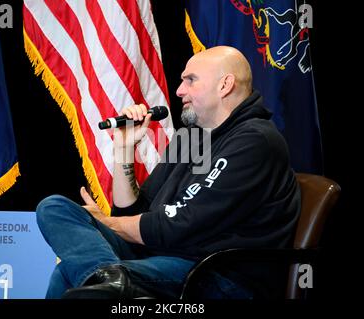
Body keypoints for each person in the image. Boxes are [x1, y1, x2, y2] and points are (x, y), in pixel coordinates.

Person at [36, 46, 301, 299]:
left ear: (225, 85)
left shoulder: (255, 141)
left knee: (69, 273)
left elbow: (179, 224)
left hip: (216, 273)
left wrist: (103, 223)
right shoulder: (191, 138)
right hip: (163, 255)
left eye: (190, 80)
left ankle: (113, 284)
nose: (178, 90)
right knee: (54, 208)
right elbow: (134, 212)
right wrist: (125, 151)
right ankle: (112, 282)